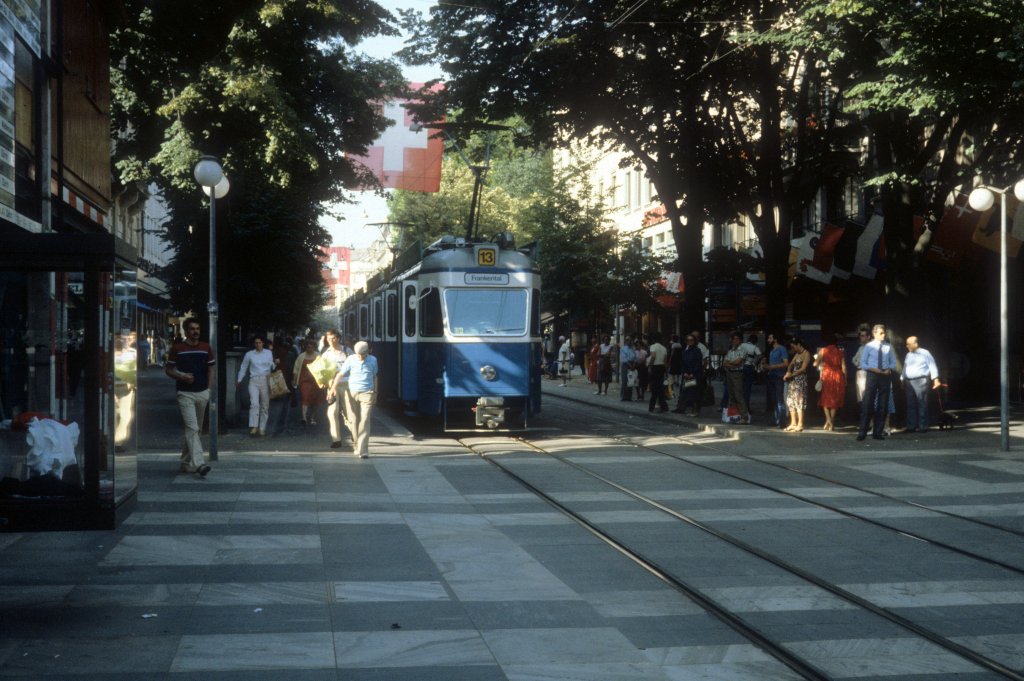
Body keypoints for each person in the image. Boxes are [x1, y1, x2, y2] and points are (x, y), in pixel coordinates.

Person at [164, 317, 214, 477]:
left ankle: (186, 462)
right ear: (186, 331)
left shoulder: (206, 348)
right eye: (192, 329)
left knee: (195, 430)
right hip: (185, 394)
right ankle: (199, 464)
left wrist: (209, 389)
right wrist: (181, 376)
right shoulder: (177, 348)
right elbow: (169, 369)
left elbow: (211, 369)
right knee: (192, 428)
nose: (196, 332)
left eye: (197, 328)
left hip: (202, 393)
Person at [338, 340, 378, 458]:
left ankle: (363, 449)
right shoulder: (350, 359)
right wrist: (333, 389)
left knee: (365, 420)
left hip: (368, 392)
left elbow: (375, 376)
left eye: (363, 354)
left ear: (369, 351)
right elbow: (340, 374)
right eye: (358, 354)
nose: (360, 357)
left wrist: (376, 392)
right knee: (354, 420)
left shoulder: (373, 360)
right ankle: (356, 444)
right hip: (352, 392)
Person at [857, 324, 897, 441]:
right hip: (873, 374)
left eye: (884, 333)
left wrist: (889, 369)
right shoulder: (868, 346)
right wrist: (873, 369)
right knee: (868, 402)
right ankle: (862, 432)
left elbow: (893, 363)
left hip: (885, 375)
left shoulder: (888, 346)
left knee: (883, 404)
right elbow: (863, 363)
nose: (883, 335)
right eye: (881, 333)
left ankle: (878, 432)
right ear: (874, 334)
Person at [236, 336, 278, 437]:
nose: (258, 344)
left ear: (263, 343)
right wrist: (239, 379)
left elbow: (271, 366)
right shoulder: (249, 354)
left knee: (265, 405)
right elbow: (243, 367)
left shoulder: (268, 353)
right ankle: (254, 426)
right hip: (254, 380)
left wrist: (275, 363)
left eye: (259, 342)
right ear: (254, 344)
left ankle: (262, 428)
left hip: (265, 379)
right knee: (254, 404)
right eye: (256, 343)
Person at [901, 335, 941, 433]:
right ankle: (911, 426)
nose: (907, 346)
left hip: (921, 380)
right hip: (909, 381)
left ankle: (923, 426)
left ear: (915, 344)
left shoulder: (925, 353)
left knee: (921, 403)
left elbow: (932, 365)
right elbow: (905, 368)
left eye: (908, 344)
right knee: (910, 404)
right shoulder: (908, 355)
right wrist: (902, 379)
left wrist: (935, 379)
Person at [814, 333, 848, 431]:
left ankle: (828, 420)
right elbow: (844, 367)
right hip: (838, 376)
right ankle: (831, 422)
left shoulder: (822, 351)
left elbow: (815, 364)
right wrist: (845, 379)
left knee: (825, 398)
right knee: (835, 399)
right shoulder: (840, 352)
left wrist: (819, 361)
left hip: (827, 375)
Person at [322, 329, 349, 448]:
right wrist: (322, 381)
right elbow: (321, 370)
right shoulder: (326, 353)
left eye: (333, 338)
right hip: (332, 385)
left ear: (338, 338)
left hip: (346, 384)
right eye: (328, 339)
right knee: (332, 412)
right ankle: (336, 439)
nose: (331, 341)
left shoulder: (347, 351)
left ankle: (355, 434)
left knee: (350, 413)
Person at [293, 339, 324, 426]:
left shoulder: (319, 356)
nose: (309, 348)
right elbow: (296, 368)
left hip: (316, 382)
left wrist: (324, 381)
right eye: (307, 347)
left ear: (314, 348)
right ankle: (304, 417)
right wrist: (294, 379)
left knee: (315, 400)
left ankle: (313, 417)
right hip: (304, 381)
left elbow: (324, 369)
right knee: (304, 397)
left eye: (311, 347)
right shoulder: (301, 356)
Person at [722, 332, 751, 424]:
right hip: (729, 373)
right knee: (731, 395)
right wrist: (731, 364)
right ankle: (734, 415)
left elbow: (738, 362)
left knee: (738, 395)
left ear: (740, 340)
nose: (734, 341)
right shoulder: (730, 350)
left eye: (736, 339)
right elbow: (725, 363)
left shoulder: (743, 349)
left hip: (738, 374)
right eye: (733, 339)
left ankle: (744, 416)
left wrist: (730, 364)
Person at [783, 337, 810, 432]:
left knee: (799, 401)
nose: (793, 349)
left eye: (794, 346)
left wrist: (791, 374)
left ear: (799, 344)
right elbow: (790, 365)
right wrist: (788, 372)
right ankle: (793, 423)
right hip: (793, 380)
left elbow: (803, 369)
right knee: (790, 401)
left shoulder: (806, 354)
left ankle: (800, 424)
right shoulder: (796, 354)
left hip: (800, 380)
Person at [673, 334, 704, 416]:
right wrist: (685, 372)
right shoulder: (686, 351)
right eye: (688, 340)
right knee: (689, 392)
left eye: (691, 340)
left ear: (694, 341)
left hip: (695, 375)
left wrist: (692, 373)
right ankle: (689, 409)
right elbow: (682, 363)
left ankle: (695, 411)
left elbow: (698, 364)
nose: (690, 342)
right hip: (687, 375)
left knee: (694, 393)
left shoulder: (697, 351)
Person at [764, 332, 789, 428]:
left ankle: (782, 421)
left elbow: (786, 363)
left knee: (779, 399)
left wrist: (772, 367)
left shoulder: (782, 349)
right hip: (772, 376)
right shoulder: (772, 351)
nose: (768, 340)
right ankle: (776, 419)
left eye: (770, 338)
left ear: (775, 339)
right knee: (774, 399)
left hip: (779, 376)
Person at [646, 334, 669, 413]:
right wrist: (666, 371)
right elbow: (665, 362)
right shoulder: (664, 348)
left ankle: (651, 407)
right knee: (660, 387)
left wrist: (650, 365)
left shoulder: (653, 346)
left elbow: (653, 356)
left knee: (654, 387)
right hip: (662, 367)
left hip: (655, 367)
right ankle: (664, 406)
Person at [740, 333, 762, 411]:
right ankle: (746, 407)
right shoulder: (754, 347)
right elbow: (760, 355)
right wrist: (755, 362)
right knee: (747, 388)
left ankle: (740, 407)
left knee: (740, 388)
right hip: (749, 367)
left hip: (741, 367)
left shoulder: (742, 345)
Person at [619, 335, 636, 401]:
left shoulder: (633, 348)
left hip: (632, 365)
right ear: (626, 341)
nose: (629, 341)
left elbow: (635, 357)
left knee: (631, 380)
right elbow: (624, 358)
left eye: (630, 340)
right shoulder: (623, 348)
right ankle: (623, 396)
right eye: (628, 340)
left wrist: (633, 365)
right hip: (626, 365)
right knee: (625, 380)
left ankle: (629, 397)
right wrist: (630, 365)